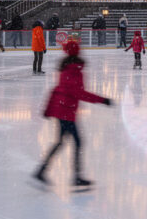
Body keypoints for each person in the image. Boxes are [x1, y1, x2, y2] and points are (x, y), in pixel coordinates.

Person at [34, 41, 113, 188]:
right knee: (76, 142)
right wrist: (103, 100)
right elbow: (80, 93)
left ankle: (42, 171)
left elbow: (57, 90)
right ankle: (74, 176)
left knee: (61, 142)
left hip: (62, 110)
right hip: (66, 112)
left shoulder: (66, 68)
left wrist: (49, 108)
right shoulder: (74, 70)